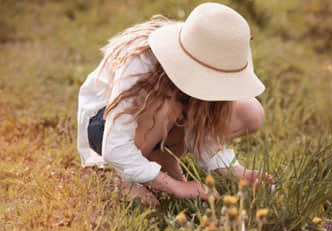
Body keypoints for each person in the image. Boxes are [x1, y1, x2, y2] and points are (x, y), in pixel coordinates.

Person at [77, 2, 272, 208]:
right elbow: (114, 145)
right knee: (166, 105)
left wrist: (233, 170)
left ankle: (160, 159)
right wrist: (175, 187)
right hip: (106, 127)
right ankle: (126, 178)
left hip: (161, 127)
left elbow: (205, 129)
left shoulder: (212, 49)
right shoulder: (142, 63)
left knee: (250, 112)